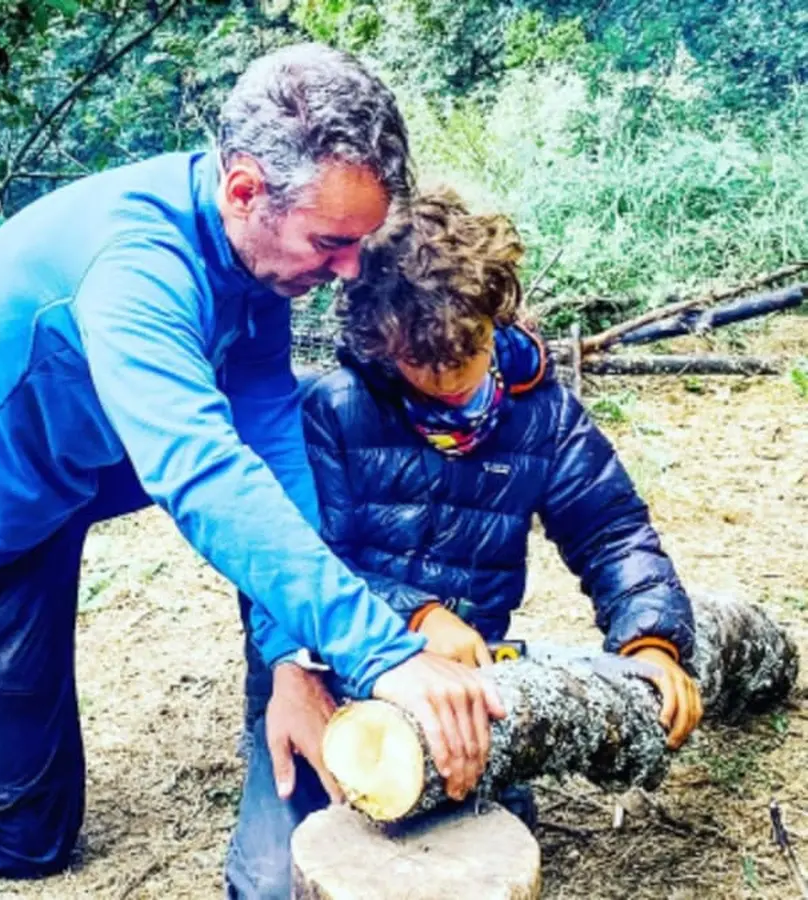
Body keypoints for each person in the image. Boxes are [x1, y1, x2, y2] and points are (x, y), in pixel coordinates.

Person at [0, 45, 502, 878]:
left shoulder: (249, 255)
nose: (349, 270)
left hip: (53, 488)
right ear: (246, 189)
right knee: (20, 832)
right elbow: (204, 474)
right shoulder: (138, 267)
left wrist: (294, 655)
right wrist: (382, 652)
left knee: (297, 429)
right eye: (331, 242)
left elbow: (264, 446)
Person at [225, 188, 703, 898]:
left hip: (471, 682)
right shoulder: (331, 410)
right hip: (324, 672)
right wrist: (416, 615)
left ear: (494, 319)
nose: (452, 382)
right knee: (274, 885)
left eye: (470, 353)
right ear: (381, 344)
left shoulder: (542, 413)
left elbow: (612, 532)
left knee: (478, 870)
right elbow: (298, 560)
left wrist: (652, 641)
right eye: (423, 363)